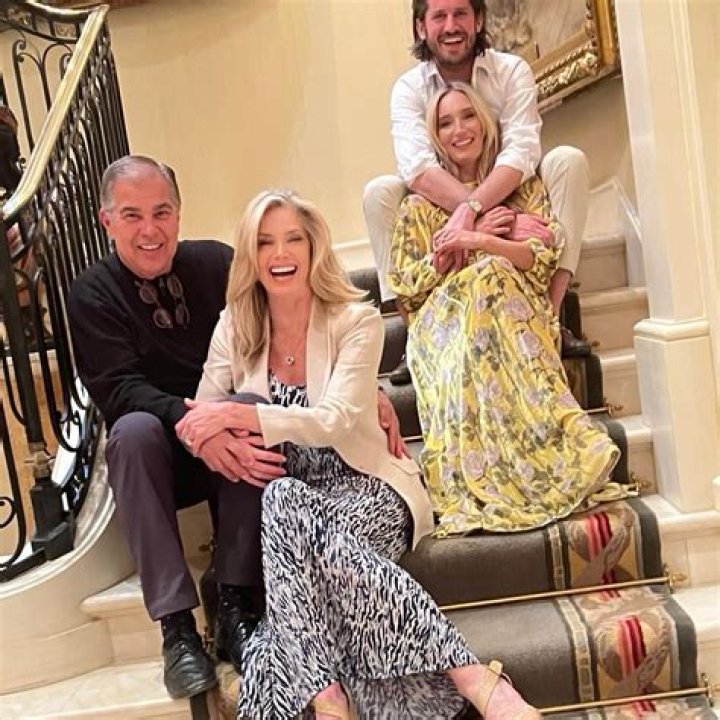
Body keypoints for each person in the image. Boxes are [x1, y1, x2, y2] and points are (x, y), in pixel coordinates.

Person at [176, 188, 541, 719]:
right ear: (250, 254)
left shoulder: (355, 320)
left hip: (368, 487)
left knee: (282, 527)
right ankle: (473, 686)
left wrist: (241, 417)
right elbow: (199, 415)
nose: (281, 254)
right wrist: (208, 435)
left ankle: (331, 700)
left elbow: (334, 421)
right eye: (265, 242)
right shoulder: (236, 324)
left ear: (313, 247)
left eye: (293, 239)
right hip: (291, 510)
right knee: (291, 539)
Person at [67, 155, 408, 700]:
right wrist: (200, 424)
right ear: (107, 221)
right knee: (130, 434)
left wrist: (368, 389)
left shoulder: (217, 263)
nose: (150, 229)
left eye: (162, 212)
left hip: (239, 438)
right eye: (132, 216)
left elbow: (300, 318)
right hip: (166, 449)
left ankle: (233, 603)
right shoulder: (91, 293)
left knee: (248, 403)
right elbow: (118, 389)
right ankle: (178, 628)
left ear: (179, 213)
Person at [389, 82, 623, 537]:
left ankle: (545, 452)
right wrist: (448, 254)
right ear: (435, 137)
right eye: (445, 123)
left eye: (468, 116)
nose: (459, 129)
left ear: (485, 122)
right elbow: (406, 285)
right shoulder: (417, 208)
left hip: (514, 311)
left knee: (492, 274)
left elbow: (541, 254)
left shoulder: (523, 191)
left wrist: (476, 239)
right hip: (447, 323)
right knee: (487, 276)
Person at [364, 0, 590, 385]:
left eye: (461, 14)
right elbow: (418, 168)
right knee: (378, 193)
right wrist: (481, 220)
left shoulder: (511, 70)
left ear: (479, 19)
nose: (451, 25)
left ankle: (550, 318)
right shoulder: (408, 89)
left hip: (508, 188)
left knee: (568, 161)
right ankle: (415, 335)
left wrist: (478, 211)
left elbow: (521, 151)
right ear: (421, 27)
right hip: (440, 200)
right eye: (439, 16)